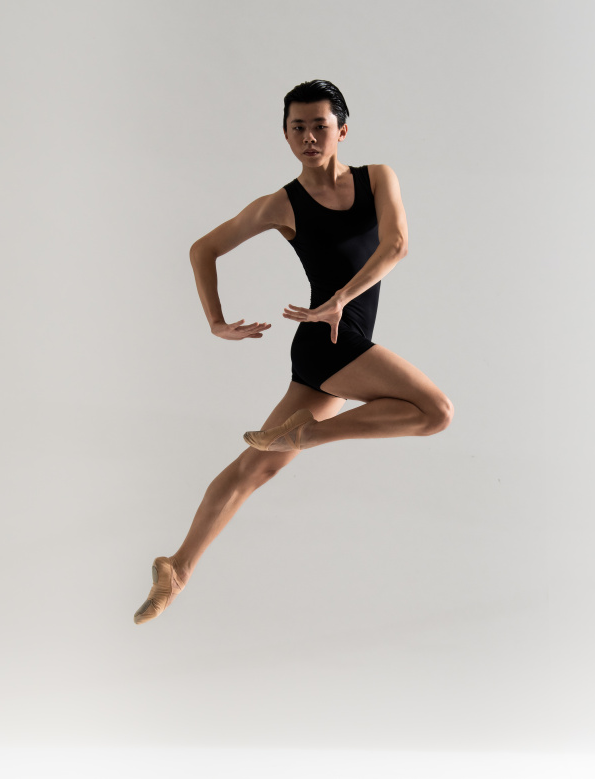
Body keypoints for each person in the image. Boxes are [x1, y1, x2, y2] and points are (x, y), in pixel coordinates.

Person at [134, 79, 453, 624]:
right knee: (435, 413)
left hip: (333, 336)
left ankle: (178, 565)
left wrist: (341, 299)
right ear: (285, 135)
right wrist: (215, 322)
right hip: (327, 345)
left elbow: (397, 244)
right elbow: (203, 249)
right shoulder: (282, 204)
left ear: (342, 130)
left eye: (319, 126)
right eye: (297, 127)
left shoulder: (378, 179)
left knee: (254, 470)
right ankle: (309, 434)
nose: (308, 136)